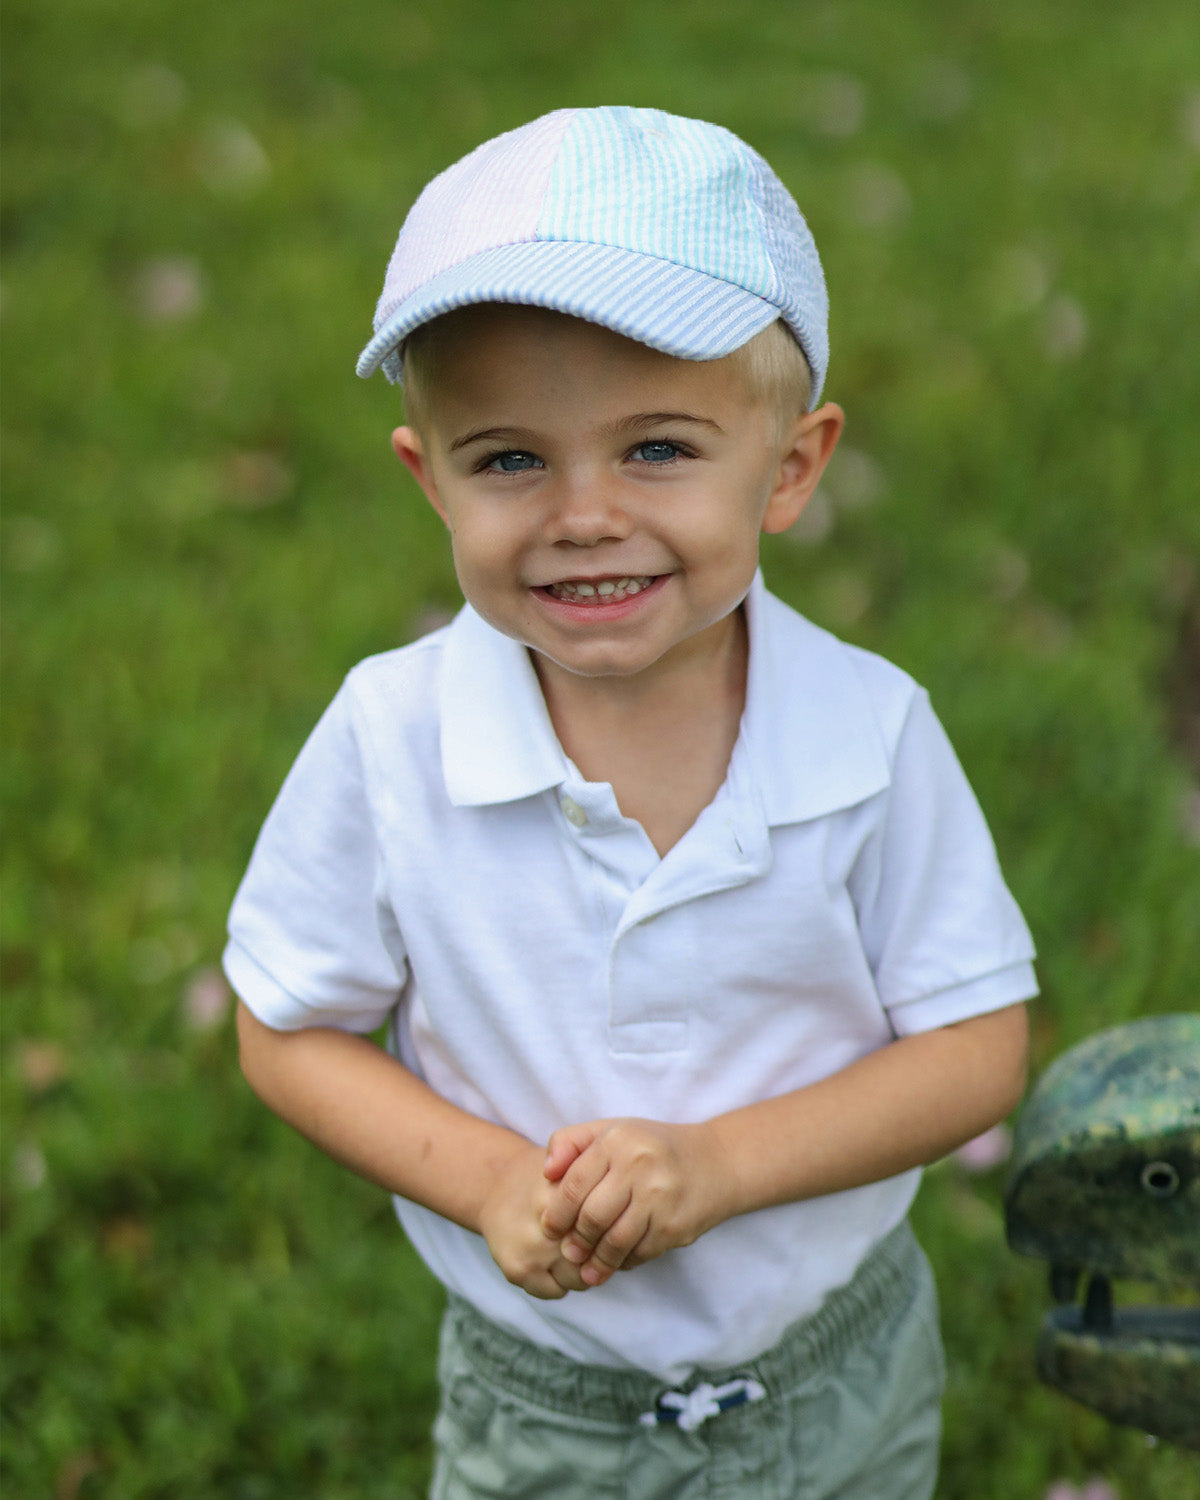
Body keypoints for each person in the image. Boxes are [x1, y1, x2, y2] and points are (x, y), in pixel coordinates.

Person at [227, 106, 1036, 1498]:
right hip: (542, 1400)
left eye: (657, 448)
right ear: (431, 481)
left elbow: (975, 1047)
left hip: (827, 1378)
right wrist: (486, 1183)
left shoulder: (868, 736)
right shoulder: (393, 739)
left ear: (790, 467)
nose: (584, 512)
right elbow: (288, 1030)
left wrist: (720, 1166)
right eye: (510, 459)